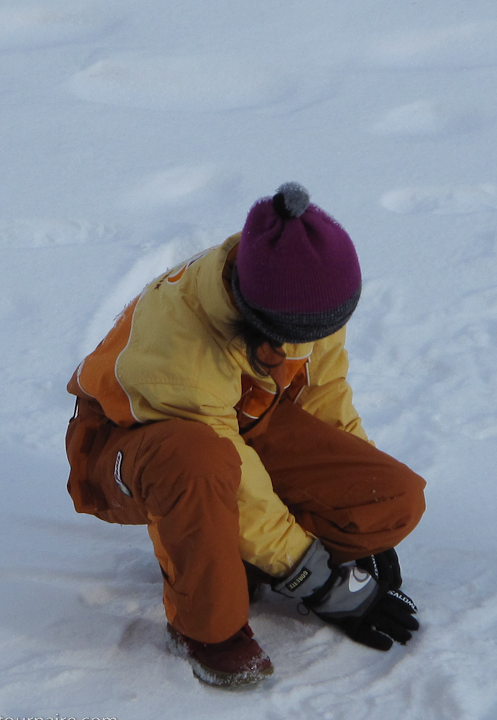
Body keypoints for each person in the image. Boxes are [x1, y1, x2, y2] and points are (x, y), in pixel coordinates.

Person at [63, 182, 426, 687]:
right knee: (199, 466)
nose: (318, 336)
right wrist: (313, 577)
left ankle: (240, 550)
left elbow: (325, 395)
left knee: (390, 500)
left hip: (240, 416)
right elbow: (230, 469)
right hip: (129, 445)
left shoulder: (300, 288)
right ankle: (206, 628)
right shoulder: (180, 349)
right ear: (259, 321)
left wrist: (351, 519)